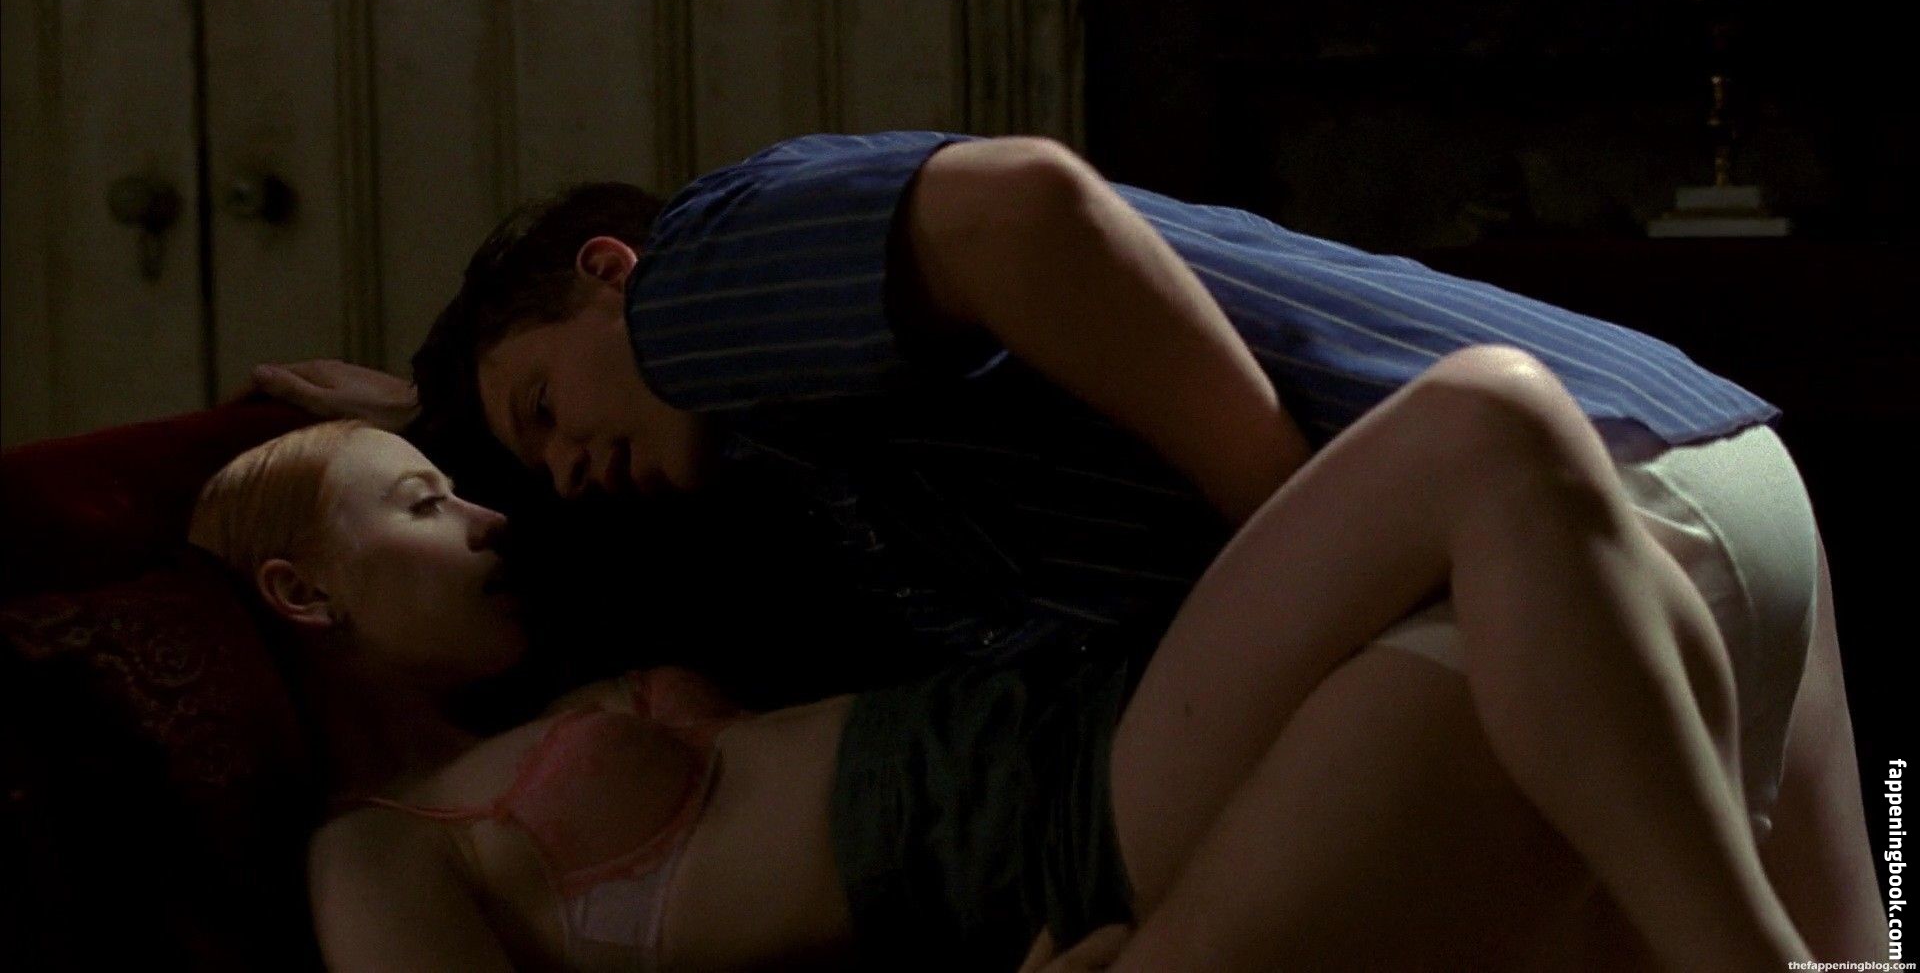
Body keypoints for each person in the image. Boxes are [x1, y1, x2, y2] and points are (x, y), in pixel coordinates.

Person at [254, 131, 1884, 963]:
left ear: (611, 271)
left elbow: (1029, 202)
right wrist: (426, 418)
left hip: (1570, 501)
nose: (556, 474)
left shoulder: (696, 287)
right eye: (506, 472)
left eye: (539, 417)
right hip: (1703, 454)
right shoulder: (809, 457)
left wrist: (1297, 526)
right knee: (1833, 942)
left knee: (1481, 431)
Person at [207, 352, 1802, 970]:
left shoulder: (546, 692)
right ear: (298, 595)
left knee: (1618, 588)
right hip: (1068, 827)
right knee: (1485, 422)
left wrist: (397, 413)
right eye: (425, 505)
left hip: (1082, 729)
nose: (487, 517)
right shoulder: (373, 856)